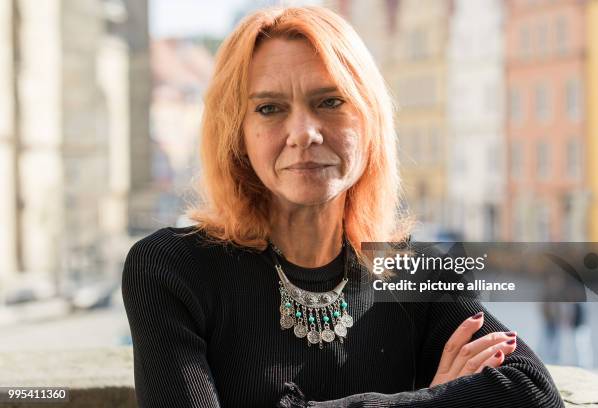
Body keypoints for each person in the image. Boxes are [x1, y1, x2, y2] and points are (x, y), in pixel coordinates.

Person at [121, 6, 564, 407]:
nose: (304, 133)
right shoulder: (171, 271)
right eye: (270, 108)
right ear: (236, 134)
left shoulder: (418, 271)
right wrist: (433, 401)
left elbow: (534, 394)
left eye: (330, 102)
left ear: (369, 119)